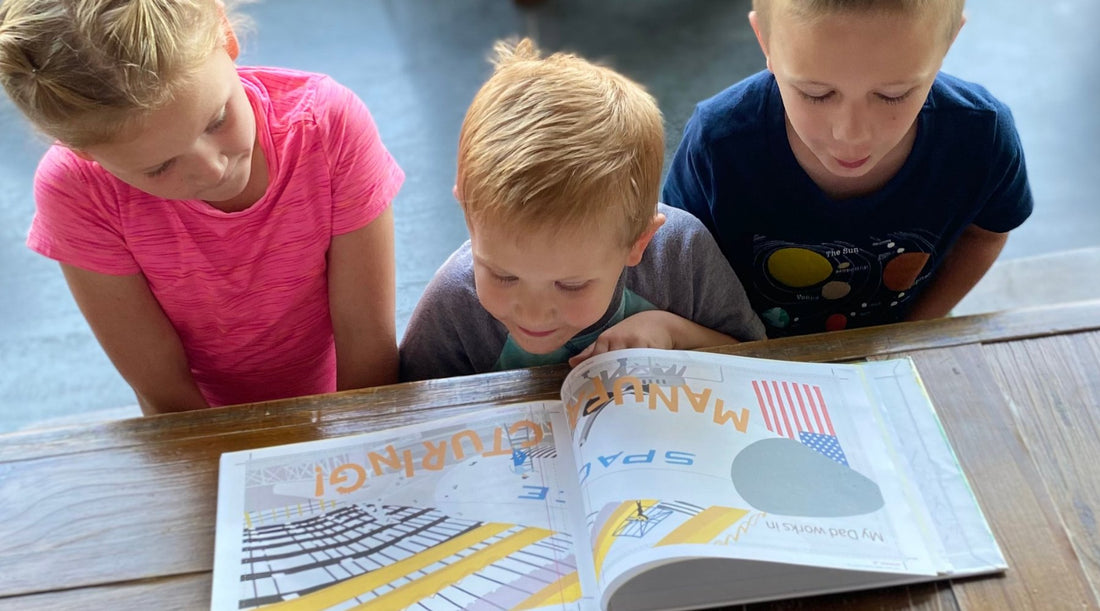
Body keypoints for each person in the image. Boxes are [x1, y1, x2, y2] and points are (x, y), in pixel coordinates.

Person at [0, 0, 404, 413]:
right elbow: (165, 392)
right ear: (84, 152)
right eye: (159, 167)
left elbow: (368, 351)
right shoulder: (78, 191)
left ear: (225, 35)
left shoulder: (329, 126)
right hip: (202, 425)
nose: (212, 171)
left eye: (217, 121)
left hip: (341, 404)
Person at [399, 38, 765, 382]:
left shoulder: (681, 256)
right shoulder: (453, 307)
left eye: (570, 285)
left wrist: (674, 333)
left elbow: (763, 362)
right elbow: (403, 407)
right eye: (502, 276)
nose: (534, 313)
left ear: (638, 242)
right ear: (468, 215)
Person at [662, 0, 1033, 338]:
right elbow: (680, 259)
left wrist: (915, 328)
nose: (850, 135)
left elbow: (986, 234)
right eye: (816, 94)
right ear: (765, 41)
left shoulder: (981, 135)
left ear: (948, 43)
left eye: (893, 95)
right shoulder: (718, 143)